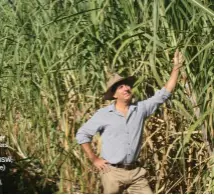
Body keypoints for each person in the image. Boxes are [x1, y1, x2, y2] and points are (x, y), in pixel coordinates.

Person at [76, 49, 184, 194]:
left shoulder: (140, 109)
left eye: (127, 85)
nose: (126, 88)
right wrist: (94, 159)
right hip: (112, 172)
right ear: (114, 95)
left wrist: (176, 67)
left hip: (135, 173)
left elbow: (164, 94)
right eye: (120, 87)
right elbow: (82, 134)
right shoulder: (104, 114)